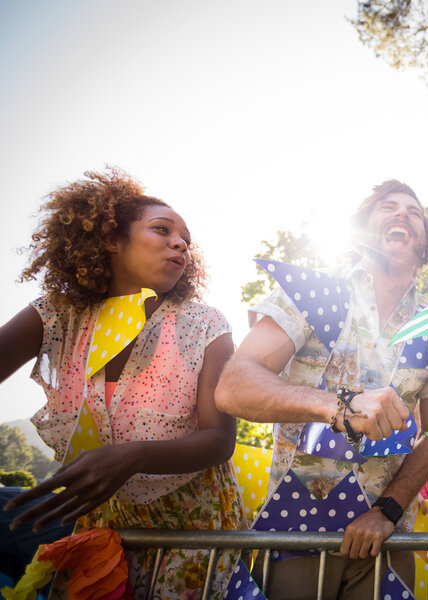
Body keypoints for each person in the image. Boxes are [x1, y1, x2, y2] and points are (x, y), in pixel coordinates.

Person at [214, 179, 428, 600]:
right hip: (293, 535)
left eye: (413, 211)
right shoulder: (316, 293)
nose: (402, 213)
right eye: (387, 207)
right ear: (363, 231)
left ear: (426, 243)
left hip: (384, 543)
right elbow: (233, 386)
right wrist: (339, 406)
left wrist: (388, 509)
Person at [0, 168, 246, 599]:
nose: (180, 243)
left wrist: (130, 457)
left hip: (195, 535)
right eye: (162, 229)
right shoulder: (57, 316)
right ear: (111, 239)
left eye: (185, 238)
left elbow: (219, 439)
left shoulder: (205, 325)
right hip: (102, 533)